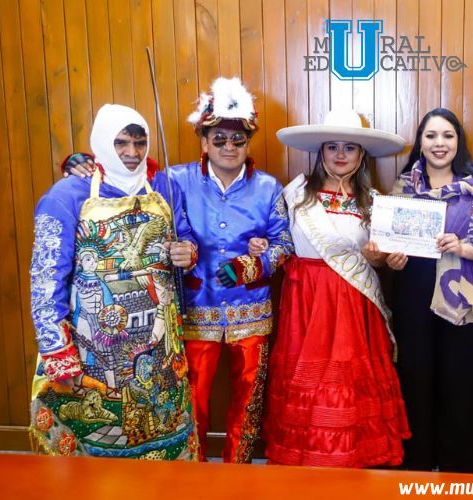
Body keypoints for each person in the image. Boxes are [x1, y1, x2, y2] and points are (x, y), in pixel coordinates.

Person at [62, 77, 293, 463]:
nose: (229, 147)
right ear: (204, 141)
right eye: (219, 139)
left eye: (238, 140)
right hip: (195, 309)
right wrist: (82, 161)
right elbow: (127, 171)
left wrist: (256, 263)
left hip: (251, 311)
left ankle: (239, 469)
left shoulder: (269, 187)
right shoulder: (173, 179)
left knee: (249, 398)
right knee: (192, 397)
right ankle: (193, 470)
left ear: (248, 143)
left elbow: (284, 242)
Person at [29, 104, 199, 459]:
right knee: (92, 444)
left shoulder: (165, 186)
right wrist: (58, 352)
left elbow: (185, 238)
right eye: (121, 142)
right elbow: (46, 280)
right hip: (90, 340)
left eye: (140, 142)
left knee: (164, 429)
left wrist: (188, 253)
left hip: (159, 342)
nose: (132, 152)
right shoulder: (66, 195)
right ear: (103, 142)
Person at [262, 109, 410, 467]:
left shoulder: (373, 200)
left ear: (361, 154)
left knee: (349, 382)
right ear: (321, 152)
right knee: (309, 380)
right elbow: (278, 240)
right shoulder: (296, 194)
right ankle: (308, 456)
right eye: (332, 147)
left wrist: (382, 258)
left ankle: (352, 455)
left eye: (350, 147)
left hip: (353, 302)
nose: (340, 154)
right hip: (307, 299)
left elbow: (378, 259)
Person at [373, 108, 473, 472]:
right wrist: (392, 259)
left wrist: (465, 247)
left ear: (458, 140)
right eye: (431, 136)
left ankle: (460, 469)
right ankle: (416, 466)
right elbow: (387, 246)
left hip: (464, 292)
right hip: (414, 292)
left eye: (447, 135)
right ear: (421, 142)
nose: (439, 143)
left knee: (462, 380)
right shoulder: (403, 187)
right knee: (415, 378)